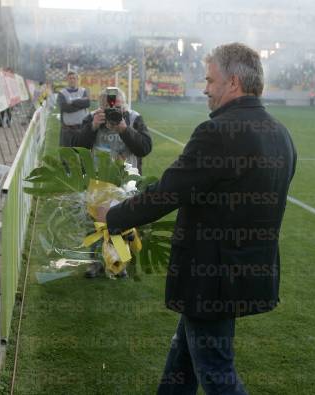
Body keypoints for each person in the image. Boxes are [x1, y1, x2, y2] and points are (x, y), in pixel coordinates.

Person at [101, 43, 296, 394]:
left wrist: (112, 216)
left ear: (233, 82)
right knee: (183, 362)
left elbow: (168, 192)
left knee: (216, 372)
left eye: (210, 80)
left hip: (211, 278)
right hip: (244, 274)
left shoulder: (217, 133)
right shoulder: (281, 133)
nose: (204, 88)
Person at [72, 87, 152, 278]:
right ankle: (94, 263)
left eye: (116, 107)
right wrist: (92, 127)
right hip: (97, 180)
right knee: (94, 224)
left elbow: (145, 148)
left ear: (123, 104)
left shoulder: (133, 118)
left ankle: (118, 264)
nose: (112, 111)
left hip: (125, 181)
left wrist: (124, 129)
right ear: (100, 105)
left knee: (121, 222)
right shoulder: (92, 117)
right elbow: (77, 146)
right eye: (107, 107)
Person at [57, 70, 90, 147]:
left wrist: (72, 102)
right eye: (70, 78)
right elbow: (65, 108)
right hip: (68, 130)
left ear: (77, 80)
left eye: (74, 78)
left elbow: (87, 103)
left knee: (82, 153)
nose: (72, 80)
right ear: (67, 80)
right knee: (67, 154)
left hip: (82, 128)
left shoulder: (83, 91)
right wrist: (80, 104)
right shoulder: (62, 93)